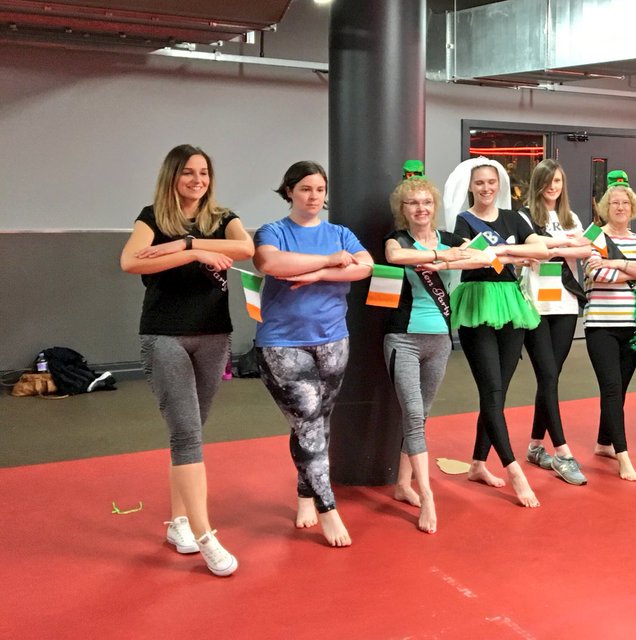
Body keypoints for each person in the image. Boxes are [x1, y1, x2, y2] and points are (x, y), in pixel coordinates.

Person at [120, 144, 253, 576]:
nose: (197, 180)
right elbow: (130, 261)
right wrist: (194, 253)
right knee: (187, 436)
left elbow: (246, 249)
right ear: (172, 177)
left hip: (214, 336)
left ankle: (179, 522)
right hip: (164, 337)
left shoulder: (223, 217)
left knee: (191, 433)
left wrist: (188, 241)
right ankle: (204, 534)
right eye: (188, 173)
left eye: (204, 173)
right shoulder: (152, 217)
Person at [253, 161, 373, 547]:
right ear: (289, 191)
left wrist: (319, 275)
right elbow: (272, 263)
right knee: (307, 421)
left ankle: (305, 494)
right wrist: (328, 260)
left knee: (317, 423)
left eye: (320, 190)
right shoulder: (274, 231)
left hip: (333, 339)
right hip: (282, 342)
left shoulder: (339, 232)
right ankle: (327, 508)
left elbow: (366, 265)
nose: (314, 197)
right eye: (305, 189)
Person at [445, 157, 549, 508]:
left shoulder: (514, 217)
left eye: (492, 182)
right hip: (479, 303)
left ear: (499, 184)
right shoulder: (463, 221)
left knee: (498, 393)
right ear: (471, 187)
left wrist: (502, 251)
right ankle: (514, 469)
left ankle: (477, 463)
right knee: (491, 389)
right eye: (480, 183)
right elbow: (469, 258)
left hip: (512, 305)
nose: (486, 188)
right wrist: (513, 255)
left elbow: (541, 249)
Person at [383, 175, 480, 534]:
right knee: (412, 414)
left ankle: (402, 485)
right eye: (413, 203)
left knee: (420, 415)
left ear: (434, 207)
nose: (421, 209)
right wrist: (441, 256)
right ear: (403, 210)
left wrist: (450, 262)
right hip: (403, 339)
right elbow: (396, 256)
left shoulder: (451, 240)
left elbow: (484, 254)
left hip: (439, 340)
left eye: (426, 202)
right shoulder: (398, 239)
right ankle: (427, 495)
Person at [516, 159, 589, 486]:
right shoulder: (524, 217)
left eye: (558, 181)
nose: (553, 186)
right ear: (538, 183)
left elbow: (587, 248)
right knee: (547, 375)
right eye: (548, 181)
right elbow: (536, 251)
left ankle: (534, 445)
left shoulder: (570, 217)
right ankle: (562, 453)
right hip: (534, 305)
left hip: (566, 303)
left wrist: (562, 245)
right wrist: (564, 245)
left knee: (551, 377)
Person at [585, 179, 636, 481]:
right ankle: (623, 455)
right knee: (612, 389)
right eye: (615, 202)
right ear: (605, 207)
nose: (620, 207)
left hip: (633, 326)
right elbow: (595, 271)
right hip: (601, 325)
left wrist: (616, 263)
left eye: (625, 203)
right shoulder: (594, 237)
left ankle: (604, 442)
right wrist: (632, 269)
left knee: (621, 390)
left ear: (633, 208)